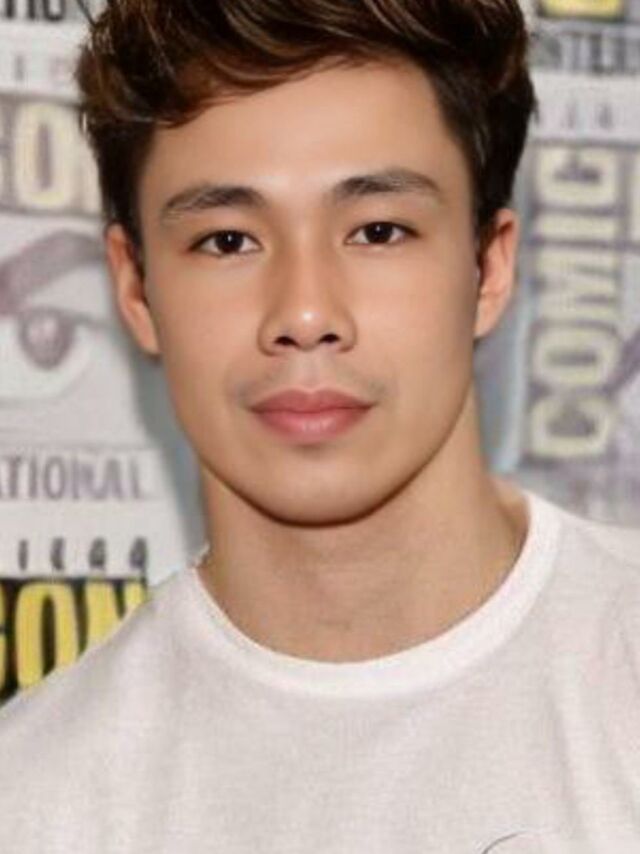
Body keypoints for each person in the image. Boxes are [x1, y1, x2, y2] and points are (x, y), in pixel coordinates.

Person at [1, 0, 639, 850]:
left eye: (378, 231)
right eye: (228, 241)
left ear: (489, 268)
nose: (305, 313)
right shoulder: (33, 803)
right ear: (135, 288)